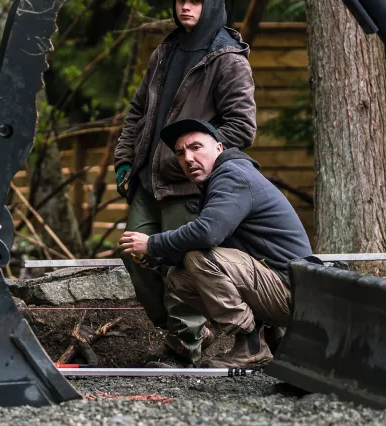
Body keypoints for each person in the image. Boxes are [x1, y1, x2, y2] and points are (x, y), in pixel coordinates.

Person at [114, 0, 257, 365]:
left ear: (209, 5)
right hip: (146, 179)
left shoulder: (228, 60)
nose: (185, 7)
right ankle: (191, 330)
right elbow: (138, 112)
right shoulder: (165, 51)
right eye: (179, 0)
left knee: (182, 261)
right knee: (136, 253)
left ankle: (184, 346)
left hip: (189, 185)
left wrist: (195, 156)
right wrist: (125, 159)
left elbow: (242, 127)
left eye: (193, 1)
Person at [119, 118, 312, 369]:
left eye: (196, 147)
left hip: (294, 293)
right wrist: (155, 257)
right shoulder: (217, 181)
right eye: (180, 152)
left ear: (219, 148)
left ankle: (251, 346)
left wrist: (152, 243)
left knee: (199, 259)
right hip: (277, 286)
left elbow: (207, 234)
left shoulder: (233, 175)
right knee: (179, 276)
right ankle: (272, 339)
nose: (187, 158)